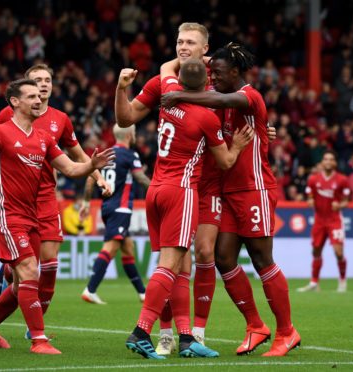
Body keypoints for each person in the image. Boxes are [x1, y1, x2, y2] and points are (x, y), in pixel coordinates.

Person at [116, 22, 276, 354]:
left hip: (206, 185)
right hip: (183, 185)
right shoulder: (169, 81)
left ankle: (194, 335)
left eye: (190, 42)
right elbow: (128, 118)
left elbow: (243, 112)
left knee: (203, 253)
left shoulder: (218, 77)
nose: (182, 47)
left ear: (206, 48)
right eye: (179, 41)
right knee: (176, 262)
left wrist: (263, 132)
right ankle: (163, 334)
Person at [161, 42, 300, 357]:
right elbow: (216, 97)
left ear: (235, 72)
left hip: (255, 189)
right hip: (227, 193)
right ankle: (255, 325)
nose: (214, 77)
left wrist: (179, 94)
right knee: (223, 257)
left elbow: (219, 96)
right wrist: (202, 58)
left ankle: (287, 332)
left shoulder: (247, 96)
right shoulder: (224, 100)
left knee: (262, 260)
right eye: (212, 72)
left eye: (219, 73)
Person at [0, 78, 115, 354]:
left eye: (40, 95)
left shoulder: (44, 138)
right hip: (6, 214)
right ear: (15, 102)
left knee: (19, 284)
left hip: (32, 215)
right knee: (28, 272)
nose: (39, 100)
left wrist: (92, 166)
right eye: (32, 96)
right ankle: (39, 340)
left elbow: (71, 169)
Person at [80, 124, 151, 304]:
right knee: (110, 248)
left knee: (127, 248)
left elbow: (90, 178)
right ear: (129, 135)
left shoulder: (105, 154)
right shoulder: (130, 155)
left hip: (107, 207)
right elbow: (140, 178)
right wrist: (159, 191)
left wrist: (87, 202)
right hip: (121, 207)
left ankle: (143, 293)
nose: (135, 135)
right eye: (134, 133)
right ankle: (90, 289)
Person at [298, 150, 350, 292]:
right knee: (316, 251)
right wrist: (310, 200)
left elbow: (346, 202)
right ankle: (314, 282)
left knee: (338, 252)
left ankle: (342, 281)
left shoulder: (342, 180)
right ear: (322, 162)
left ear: (334, 163)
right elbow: (310, 197)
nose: (328, 161)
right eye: (325, 159)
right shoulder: (313, 179)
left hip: (334, 220)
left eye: (331, 159)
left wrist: (339, 205)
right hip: (319, 220)